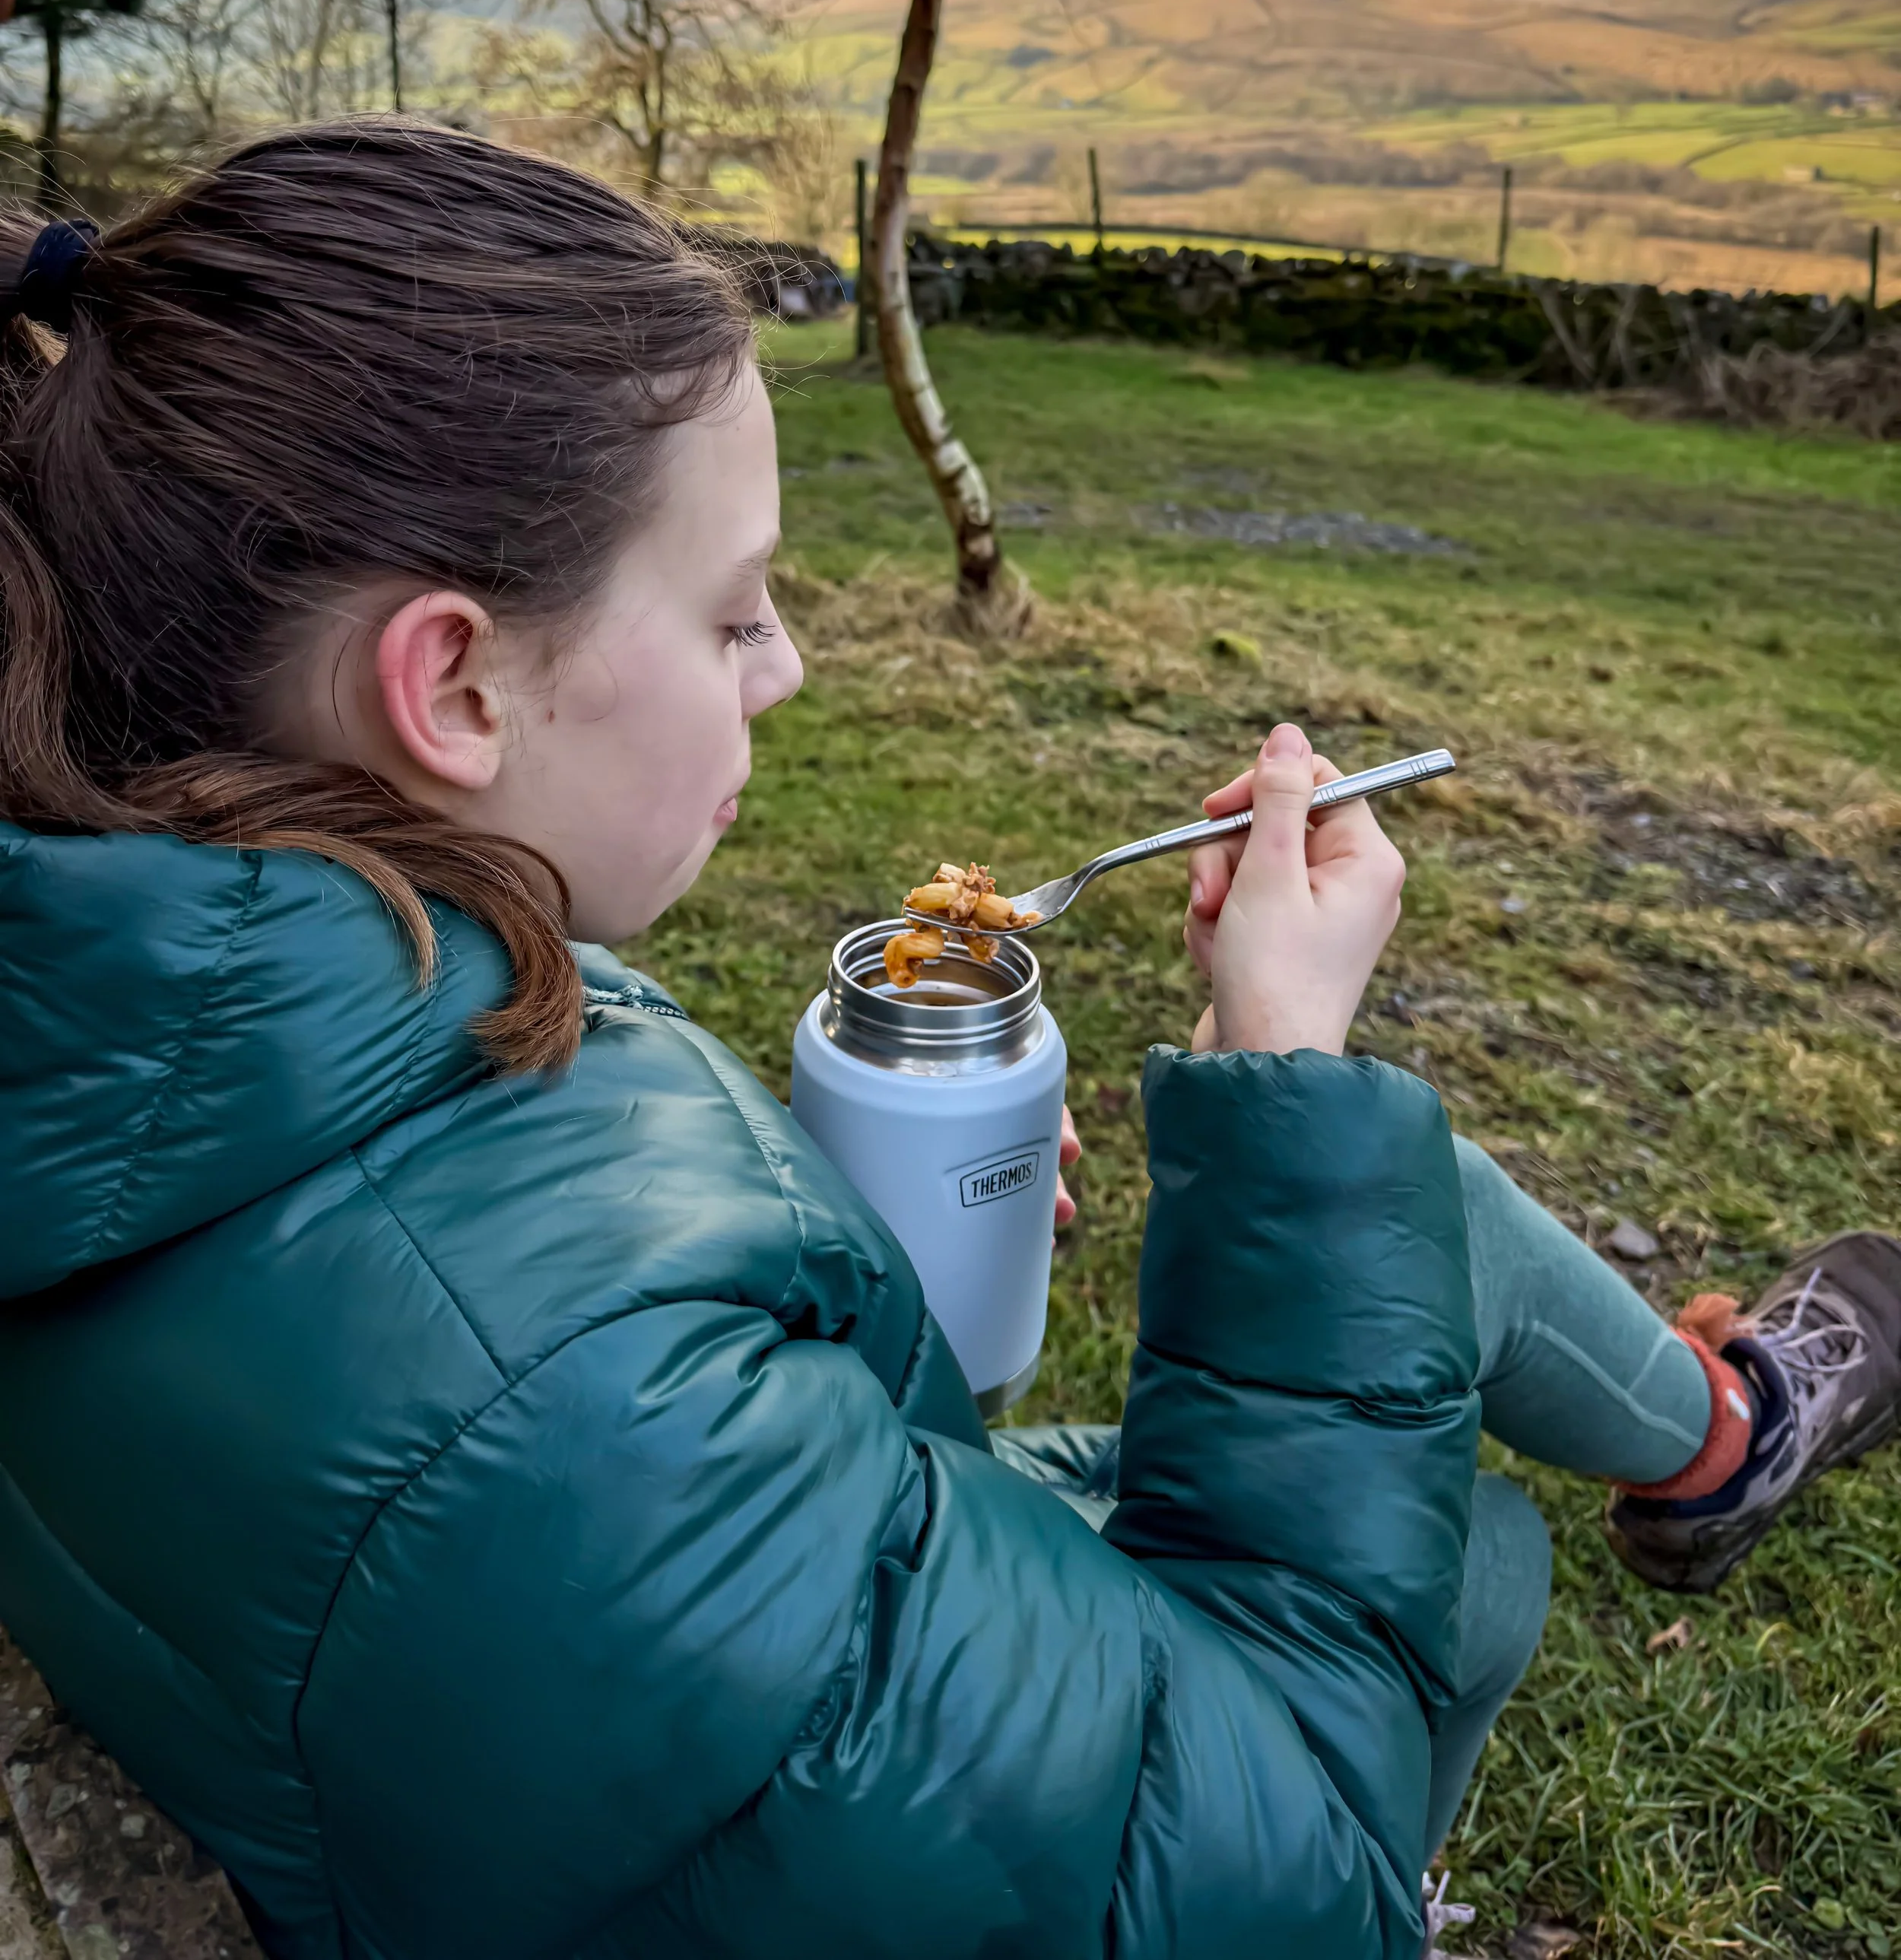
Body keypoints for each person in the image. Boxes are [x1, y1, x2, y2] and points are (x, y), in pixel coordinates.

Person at [0, 125, 1893, 1960]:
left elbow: (525, 1337)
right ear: (456, 683)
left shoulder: (212, 991)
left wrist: (812, 1262)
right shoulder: (583, 1426)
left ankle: (1717, 1435)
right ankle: (1712, 1445)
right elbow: (1279, 1868)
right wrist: (1286, 1061)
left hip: (557, 1724)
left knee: (1440, 1343)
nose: (788, 667)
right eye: (735, 613)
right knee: (1467, 1537)